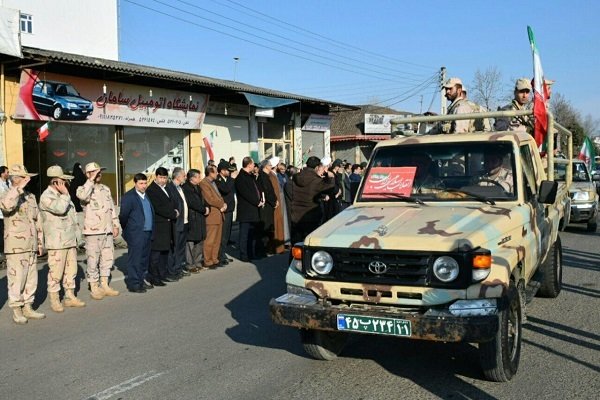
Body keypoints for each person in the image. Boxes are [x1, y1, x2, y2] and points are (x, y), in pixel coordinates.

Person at [1, 165, 45, 324]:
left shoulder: (31, 197)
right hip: (15, 246)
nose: (28, 180)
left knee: (31, 278)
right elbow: (6, 206)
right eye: (24, 177)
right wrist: (17, 189)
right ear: (15, 179)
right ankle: (17, 309)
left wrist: (40, 242)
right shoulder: (7, 194)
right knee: (17, 278)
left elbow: (37, 219)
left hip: (31, 244)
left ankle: (28, 306)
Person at [39, 166, 86, 312]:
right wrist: (66, 195)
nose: (66, 184)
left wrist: (78, 238)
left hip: (69, 240)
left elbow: (72, 218)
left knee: (71, 270)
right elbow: (59, 209)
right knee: (56, 272)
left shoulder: (64, 196)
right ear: (55, 182)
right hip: (57, 243)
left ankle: (69, 296)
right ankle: (54, 299)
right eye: (63, 181)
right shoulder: (47, 196)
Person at [76, 162, 121, 300]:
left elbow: (112, 209)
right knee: (92, 261)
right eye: (95, 172)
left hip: (106, 230)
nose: (99, 174)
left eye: (100, 172)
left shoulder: (105, 189)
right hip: (92, 232)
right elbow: (83, 197)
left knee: (107, 259)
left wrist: (115, 224)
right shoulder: (83, 189)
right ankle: (94, 286)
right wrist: (90, 180)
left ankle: (104, 284)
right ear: (88, 174)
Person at [119, 173, 153, 293]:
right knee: (135, 259)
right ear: (135, 183)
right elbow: (123, 216)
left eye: (145, 183)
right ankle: (134, 284)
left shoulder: (146, 195)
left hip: (147, 232)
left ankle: (141, 280)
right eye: (141, 183)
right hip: (136, 233)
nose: (144, 186)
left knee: (144, 259)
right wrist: (129, 230)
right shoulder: (129, 197)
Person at [290, 156, 335, 244]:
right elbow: (330, 189)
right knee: (310, 243)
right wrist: (331, 177)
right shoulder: (316, 180)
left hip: (296, 214)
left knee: (296, 243)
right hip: (311, 214)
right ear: (317, 167)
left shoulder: (295, 177)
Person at [146, 167, 178, 285]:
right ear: (156, 177)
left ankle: (162, 274)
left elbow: (172, 201)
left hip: (168, 225)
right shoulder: (152, 190)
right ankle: (153, 276)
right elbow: (158, 208)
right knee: (156, 254)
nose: (163, 180)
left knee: (165, 252)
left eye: (165, 178)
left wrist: (174, 210)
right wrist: (173, 213)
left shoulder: (167, 188)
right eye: (161, 178)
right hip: (159, 226)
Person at [235, 157, 264, 262]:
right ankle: (244, 255)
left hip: (253, 210)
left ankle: (250, 253)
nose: (254, 166)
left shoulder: (250, 176)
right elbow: (246, 194)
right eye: (252, 164)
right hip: (246, 210)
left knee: (251, 234)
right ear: (249, 165)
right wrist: (257, 202)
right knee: (244, 234)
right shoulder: (241, 178)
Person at [199, 165, 226, 268]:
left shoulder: (213, 183)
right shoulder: (204, 184)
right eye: (215, 172)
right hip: (212, 215)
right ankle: (207, 260)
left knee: (217, 240)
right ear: (210, 173)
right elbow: (210, 199)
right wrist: (221, 204)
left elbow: (219, 196)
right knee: (210, 240)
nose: (217, 174)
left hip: (219, 214)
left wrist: (224, 204)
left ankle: (214, 259)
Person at [182, 169, 208, 273]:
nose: (200, 178)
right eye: (198, 176)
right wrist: (203, 209)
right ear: (192, 178)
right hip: (192, 218)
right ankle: (190, 265)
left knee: (199, 241)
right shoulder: (186, 188)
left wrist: (207, 207)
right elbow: (192, 203)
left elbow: (203, 200)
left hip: (200, 218)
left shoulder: (198, 187)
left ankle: (198, 262)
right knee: (190, 243)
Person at [166, 167, 189, 278]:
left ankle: (179, 267)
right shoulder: (170, 188)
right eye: (184, 175)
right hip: (176, 222)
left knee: (181, 247)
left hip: (185, 222)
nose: (185, 177)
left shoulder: (181, 188)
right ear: (178, 176)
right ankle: (173, 269)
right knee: (175, 247)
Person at [256, 158, 278, 255]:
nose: (271, 167)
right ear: (265, 166)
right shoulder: (263, 177)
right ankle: (264, 249)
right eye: (269, 165)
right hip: (266, 206)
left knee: (269, 227)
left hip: (269, 204)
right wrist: (273, 201)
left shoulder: (265, 176)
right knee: (266, 227)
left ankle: (268, 248)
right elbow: (267, 192)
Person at [216, 161, 235, 265]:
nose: (230, 172)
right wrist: (232, 179)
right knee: (223, 234)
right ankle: (220, 255)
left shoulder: (228, 179)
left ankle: (223, 253)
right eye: (228, 170)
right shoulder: (218, 179)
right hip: (224, 210)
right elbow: (226, 189)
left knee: (227, 233)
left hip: (230, 209)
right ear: (222, 171)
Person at [266, 157, 285, 254]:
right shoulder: (272, 176)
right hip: (276, 205)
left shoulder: (273, 175)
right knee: (276, 226)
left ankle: (276, 248)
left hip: (276, 204)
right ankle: (277, 248)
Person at [0, 165, 9, 259]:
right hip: (1, 213)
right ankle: (2, 251)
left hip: (7, 213)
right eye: (7, 172)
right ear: (2, 173)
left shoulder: (8, 182)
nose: (8, 174)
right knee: (1, 233)